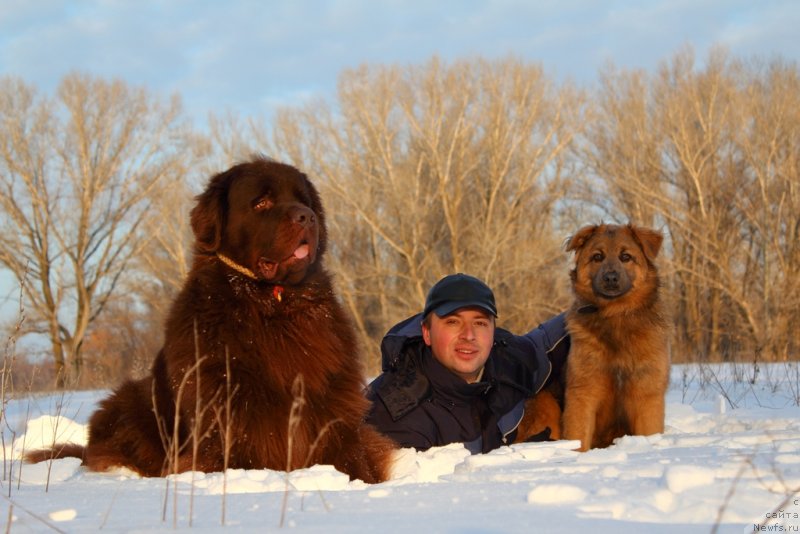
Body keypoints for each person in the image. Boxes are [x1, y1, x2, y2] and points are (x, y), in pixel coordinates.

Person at [365, 273, 569, 454]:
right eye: (453, 322)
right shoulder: (395, 414)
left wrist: (585, 304)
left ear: (493, 331)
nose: (469, 335)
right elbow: (426, 483)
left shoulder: (505, 360)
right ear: (427, 333)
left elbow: (547, 341)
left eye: (480, 323)